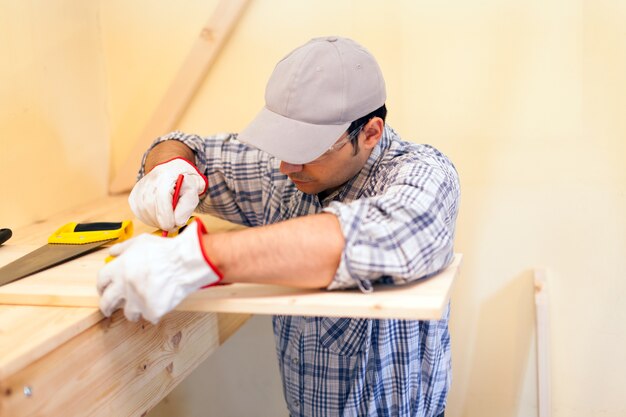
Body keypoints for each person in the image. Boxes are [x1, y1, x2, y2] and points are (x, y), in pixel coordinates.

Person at [98, 36, 459, 417]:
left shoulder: (425, 175)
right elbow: (184, 145)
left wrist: (199, 257)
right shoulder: (284, 174)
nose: (287, 167)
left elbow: (379, 234)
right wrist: (168, 169)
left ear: (370, 132)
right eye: (283, 144)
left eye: (308, 149)